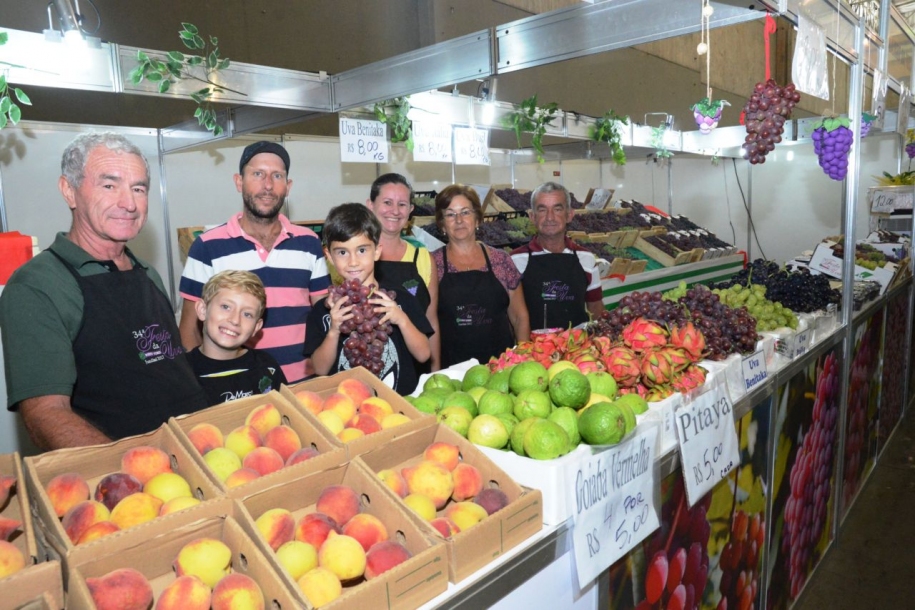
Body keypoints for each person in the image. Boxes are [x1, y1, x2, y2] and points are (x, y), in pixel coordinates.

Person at [0, 132, 208, 449]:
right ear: (69, 191)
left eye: (138, 188)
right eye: (109, 185)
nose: (128, 203)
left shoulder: (148, 273)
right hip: (127, 486)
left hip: (199, 457)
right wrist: (125, 474)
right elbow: (46, 415)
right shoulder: (38, 285)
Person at [179, 141, 330, 383]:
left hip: (306, 386)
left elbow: (323, 318)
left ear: (288, 186)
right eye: (257, 174)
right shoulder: (207, 247)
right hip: (239, 389)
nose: (268, 185)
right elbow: (189, 331)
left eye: (277, 176)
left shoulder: (309, 243)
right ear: (239, 182)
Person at [303, 203, 432, 395]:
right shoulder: (323, 311)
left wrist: (401, 319)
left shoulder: (401, 301)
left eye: (362, 250)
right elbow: (321, 370)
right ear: (329, 256)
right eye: (342, 252)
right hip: (346, 408)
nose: (353, 261)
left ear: (377, 251)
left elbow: (423, 355)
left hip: (400, 408)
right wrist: (334, 331)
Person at [432, 185, 530, 368]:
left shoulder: (501, 260)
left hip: (500, 369)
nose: (459, 220)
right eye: (450, 214)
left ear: (477, 219)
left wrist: (522, 360)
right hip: (452, 372)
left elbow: (519, 317)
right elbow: (430, 323)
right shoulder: (432, 264)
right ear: (442, 224)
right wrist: (435, 372)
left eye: (465, 212)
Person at [366, 173, 441, 370]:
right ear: (370, 205)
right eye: (387, 202)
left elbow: (431, 321)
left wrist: (435, 372)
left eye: (402, 204)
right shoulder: (355, 256)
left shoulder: (422, 257)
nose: (395, 211)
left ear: (410, 210)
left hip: (417, 364)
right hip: (369, 366)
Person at [510, 181, 605, 329]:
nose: (550, 217)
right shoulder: (514, 260)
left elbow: (596, 308)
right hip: (534, 349)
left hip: (578, 348)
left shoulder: (586, 258)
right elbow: (512, 316)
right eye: (542, 210)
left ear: (569, 215)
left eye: (557, 209)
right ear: (532, 216)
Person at [185, 270, 287, 406]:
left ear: (256, 327)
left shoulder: (267, 366)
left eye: (247, 314)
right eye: (226, 307)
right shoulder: (181, 373)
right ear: (203, 310)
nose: (235, 320)